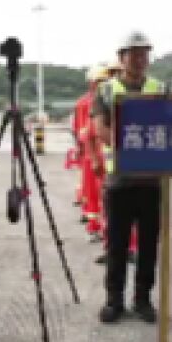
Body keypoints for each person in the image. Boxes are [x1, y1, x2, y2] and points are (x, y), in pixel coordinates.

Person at [93, 31, 165, 324]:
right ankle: (114, 301)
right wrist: (131, 148)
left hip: (151, 182)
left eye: (143, 53)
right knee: (117, 245)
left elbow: (169, 125)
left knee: (148, 246)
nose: (139, 59)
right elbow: (100, 128)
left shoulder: (158, 88)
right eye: (133, 54)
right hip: (120, 181)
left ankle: (143, 300)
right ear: (121, 58)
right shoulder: (106, 90)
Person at [73, 65, 105, 240]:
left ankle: (96, 224)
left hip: (96, 151)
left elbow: (79, 129)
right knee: (93, 191)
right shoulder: (87, 103)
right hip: (93, 151)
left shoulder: (89, 101)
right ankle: (94, 225)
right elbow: (82, 129)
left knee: (96, 192)